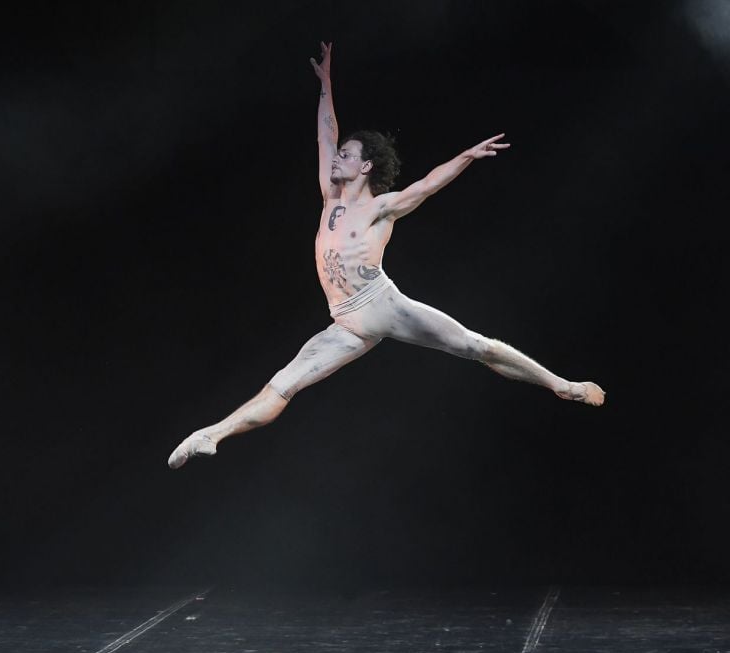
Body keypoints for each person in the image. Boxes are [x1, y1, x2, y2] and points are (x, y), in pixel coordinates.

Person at [168, 41, 604, 469]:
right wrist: (326, 83)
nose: (336, 159)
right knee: (283, 384)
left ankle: (563, 385)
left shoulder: (380, 207)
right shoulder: (330, 196)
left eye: (346, 156)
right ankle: (209, 435)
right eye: (339, 155)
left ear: (365, 167)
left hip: (383, 305)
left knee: (475, 345)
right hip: (345, 323)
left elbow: (427, 185)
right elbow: (326, 133)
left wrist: (466, 157)